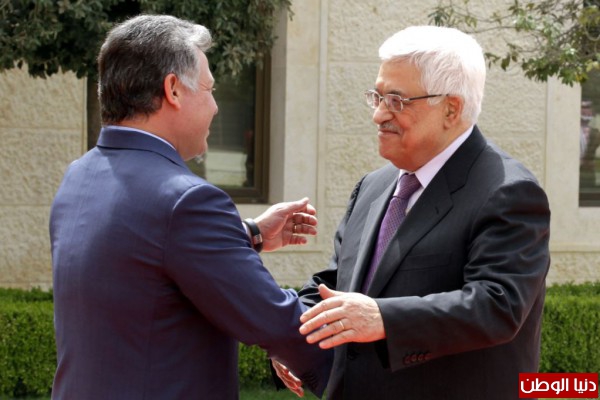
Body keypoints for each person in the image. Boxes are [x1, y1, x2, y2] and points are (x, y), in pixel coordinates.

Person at [49, 15, 331, 400]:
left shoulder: (78, 176)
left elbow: (139, 255)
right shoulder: (187, 201)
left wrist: (251, 234)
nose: (215, 107)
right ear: (173, 90)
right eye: (210, 89)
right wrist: (383, 346)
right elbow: (275, 321)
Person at [273, 25, 550, 400]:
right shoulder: (373, 186)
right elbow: (338, 281)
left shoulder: (507, 191)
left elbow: (498, 305)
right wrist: (293, 339)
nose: (379, 115)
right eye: (377, 97)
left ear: (450, 109)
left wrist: (383, 319)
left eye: (397, 101)